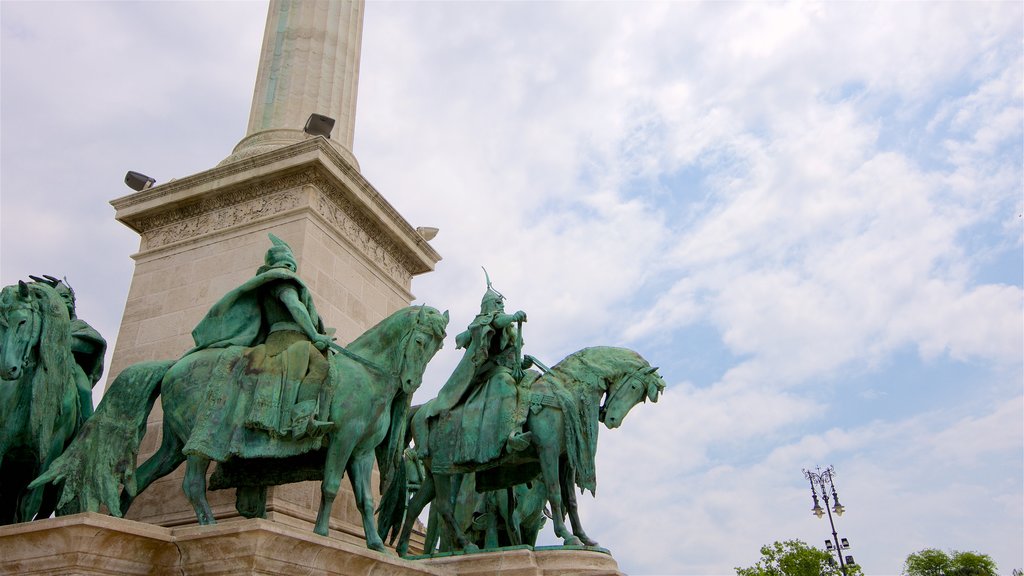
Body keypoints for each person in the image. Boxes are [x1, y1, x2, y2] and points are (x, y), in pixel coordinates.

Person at [187, 233, 334, 439]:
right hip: (288, 340)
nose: (292, 268)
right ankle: (302, 421)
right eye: (290, 264)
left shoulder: (269, 281)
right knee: (321, 366)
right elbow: (295, 306)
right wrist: (314, 334)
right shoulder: (283, 281)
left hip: (281, 339)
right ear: (287, 264)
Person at [413, 270, 533, 459]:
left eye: (502, 304)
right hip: (491, 373)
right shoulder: (486, 321)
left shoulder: (507, 327)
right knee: (506, 386)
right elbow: (497, 321)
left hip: (509, 371)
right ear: (489, 305)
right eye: (498, 303)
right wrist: (512, 317)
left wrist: (522, 363)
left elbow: (510, 353)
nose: (501, 306)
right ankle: (509, 436)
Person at [30, 275, 106, 424]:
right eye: (63, 296)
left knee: (84, 391)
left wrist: (59, 343)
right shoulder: (37, 322)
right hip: (37, 362)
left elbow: (91, 346)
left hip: (69, 365)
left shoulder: (79, 325)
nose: (68, 300)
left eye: (70, 297)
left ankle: (87, 431)